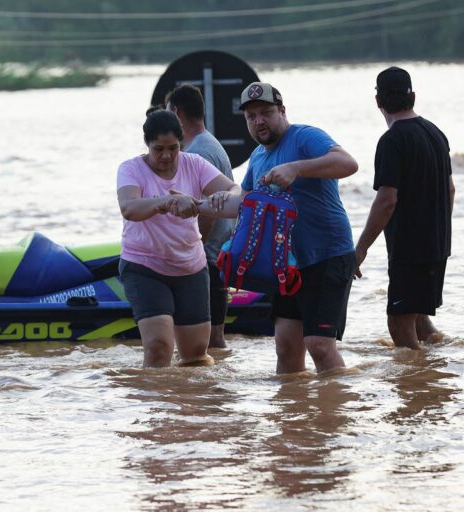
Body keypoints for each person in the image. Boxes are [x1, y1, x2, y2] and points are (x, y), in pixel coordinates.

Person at [214, 82, 359, 374]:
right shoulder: (258, 156)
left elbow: (348, 164)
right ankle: (293, 418)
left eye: (266, 112)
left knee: (319, 344)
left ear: (282, 111)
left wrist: (297, 168)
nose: (259, 121)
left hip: (327, 255)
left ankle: (335, 414)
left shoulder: (305, 137)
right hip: (287, 264)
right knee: (286, 347)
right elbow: (243, 202)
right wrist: (204, 203)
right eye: (251, 117)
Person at [117, 109, 241, 368]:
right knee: (159, 347)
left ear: (182, 142)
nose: (166, 156)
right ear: (147, 144)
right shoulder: (130, 169)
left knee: (196, 353)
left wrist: (223, 195)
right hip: (144, 266)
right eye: (158, 149)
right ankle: (154, 407)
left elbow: (235, 190)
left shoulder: (194, 163)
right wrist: (167, 201)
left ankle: (187, 404)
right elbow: (129, 208)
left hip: (190, 267)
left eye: (173, 148)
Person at [354, 67, 455, 350]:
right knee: (420, 319)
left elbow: (387, 200)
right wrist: (438, 231)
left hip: (410, 249)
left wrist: (361, 249)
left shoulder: (392, 141)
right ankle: (435, 374)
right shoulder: (436, 133)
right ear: (413, 96)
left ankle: (417, 388)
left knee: (399, 323)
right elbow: (450, 190)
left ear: (378, 101)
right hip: (438, 245)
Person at [165, 84, 235, 349]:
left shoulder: (198, 153)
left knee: (208, 341)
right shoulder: (208, 143)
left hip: (207, 257)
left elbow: (206, 212)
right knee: (212, 340)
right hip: (216, 254)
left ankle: (211, 389)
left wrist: (194, 247)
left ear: (176, 111)